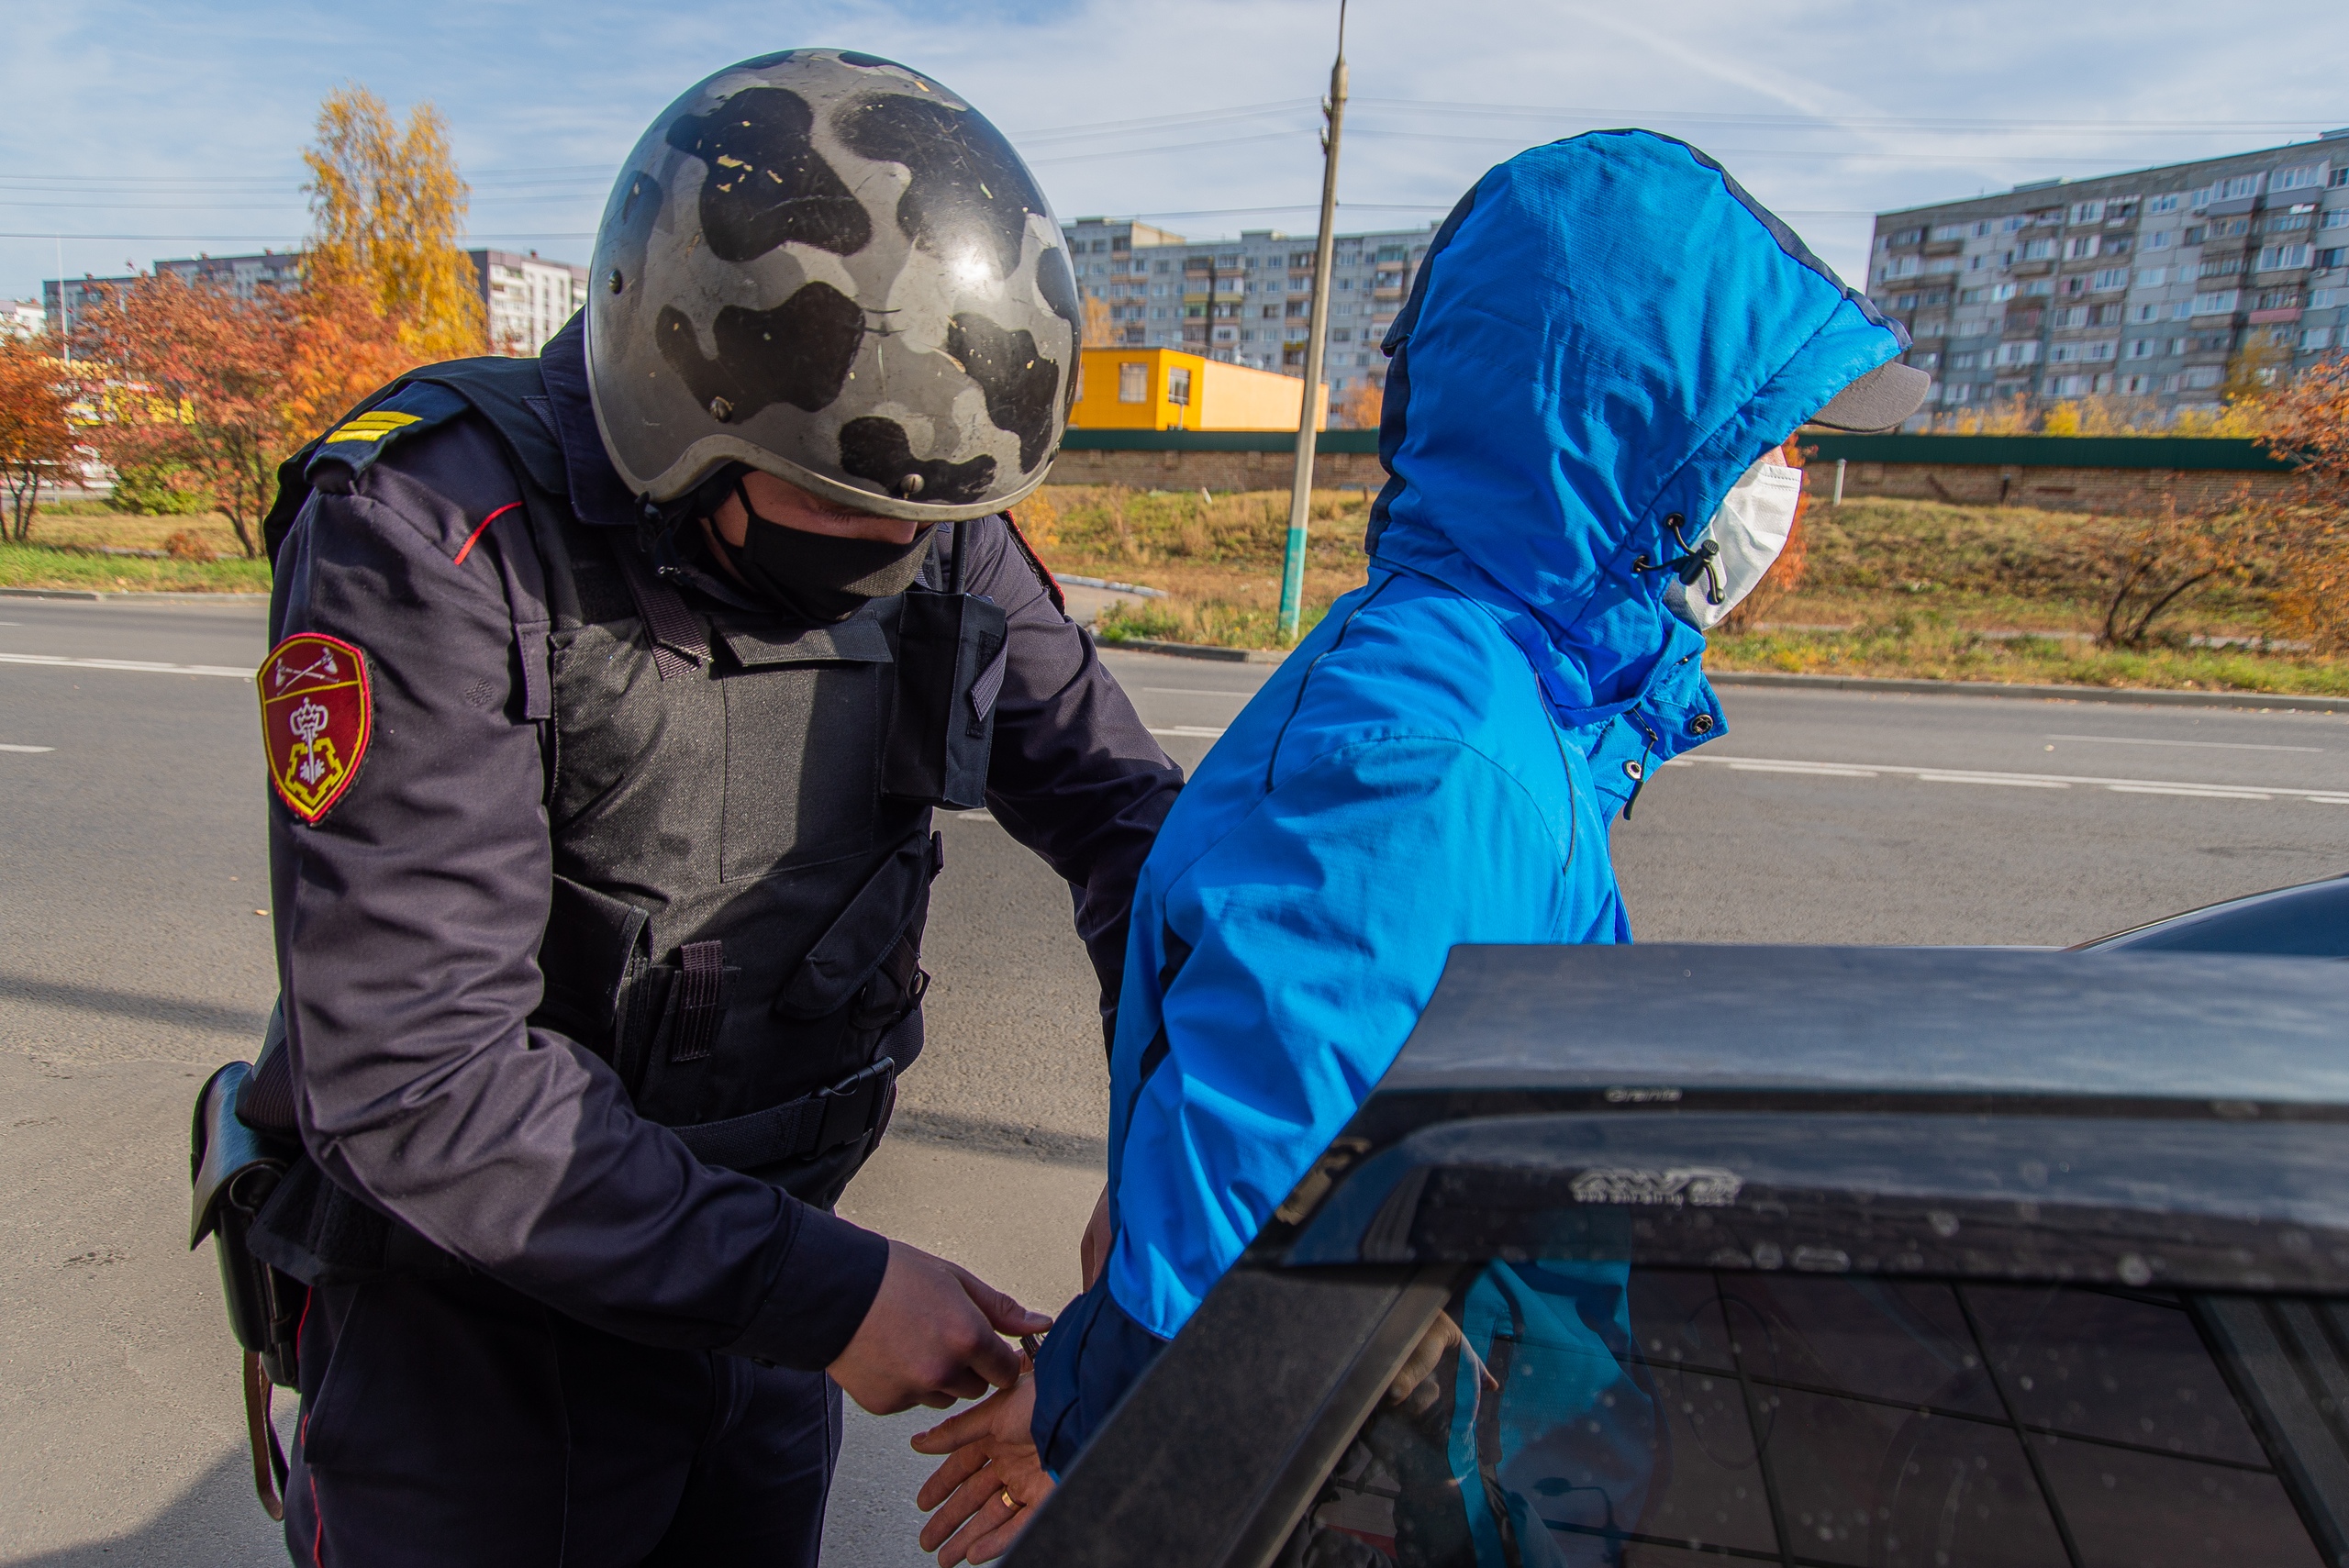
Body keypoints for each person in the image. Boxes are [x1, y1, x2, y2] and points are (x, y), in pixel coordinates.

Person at [907, 128, 1929, 1565]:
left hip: (1470, 1451)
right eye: (1769, 442)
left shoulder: (1520, 698)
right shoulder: (1430, 751)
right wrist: (1087, 1411)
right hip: (1411, 1497)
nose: (1787, 486)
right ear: (1633, 438)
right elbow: (1249, 1243)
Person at [242, 50, 1180, 1567]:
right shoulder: (433, 533)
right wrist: (834, 1293)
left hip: (759, 1309)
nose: (895, 552)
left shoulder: (918, 510)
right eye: (844, 513)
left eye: (929, 520)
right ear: (679, 406)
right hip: (477, 1359)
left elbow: (1141, 837)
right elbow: (422, 1072)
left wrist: (1170, 1167)